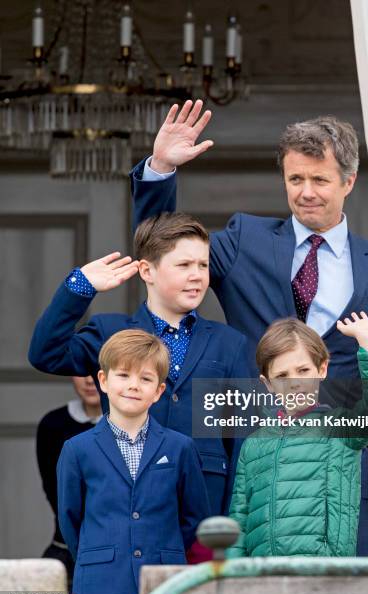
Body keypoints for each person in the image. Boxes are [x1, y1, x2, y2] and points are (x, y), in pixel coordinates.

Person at [129, 100, 368, 555]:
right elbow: (165, 244)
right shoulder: (244, 240)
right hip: (256, 471)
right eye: (295, 179)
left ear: (348, 182)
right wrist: (162, 168)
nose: (306, 192)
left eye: (320, 180)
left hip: (341, 479)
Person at [29, 213, 251, 532]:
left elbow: (241, 440)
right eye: (184, 265)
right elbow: (45, 354)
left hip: (204, 515)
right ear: (147, 270)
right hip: (126, 509)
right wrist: (78, 288)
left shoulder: (229, 343)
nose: (198, 275)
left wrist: (233, 526)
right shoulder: (112, 331)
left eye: (203, 265)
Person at [57, 329, 210, 594]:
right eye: (124, 375)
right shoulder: (77, 450)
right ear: (103, 380)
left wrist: (166, 549)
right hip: (101, 583)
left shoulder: (180, 447)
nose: (134, 385)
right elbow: (70, 520)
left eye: (146, 378)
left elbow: (193, 518)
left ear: (159, 391)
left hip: (164, 580)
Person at [228, 312, 368, 558]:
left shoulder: (341, 429)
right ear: (268, 384)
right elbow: (239, 521)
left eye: (303, 370)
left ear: (322, 369)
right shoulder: (253, 446)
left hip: (323, 572)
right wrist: (234, 577)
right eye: (282, 376)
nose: (294, 382)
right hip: (263, 576)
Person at [36, 376, 102, 589]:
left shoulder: (130, 427)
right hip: (64, 549)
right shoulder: (52, 424)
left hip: (113, 554)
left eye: (97, 370)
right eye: (81, 371)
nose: (89, 380)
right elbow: (54, 491)